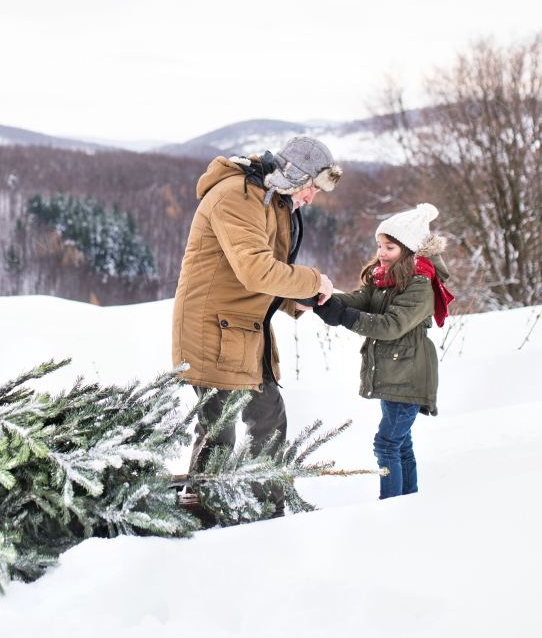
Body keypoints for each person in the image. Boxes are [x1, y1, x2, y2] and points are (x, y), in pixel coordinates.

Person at [171, 137, 342, 512]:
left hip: (241, 332)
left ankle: (263, 506)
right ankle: (201, 513)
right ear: (295, 176)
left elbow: (257, 277)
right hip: (212, 333)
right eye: (312, 188)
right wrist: (313, 281)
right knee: (219, 431)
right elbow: (254, 270)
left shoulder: (270, 200)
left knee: (267, 419)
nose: (311, 199)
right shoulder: (237, 195)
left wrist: (297, 301)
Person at [300, 203, 454, 500]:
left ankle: (391, 505)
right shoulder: (386, 279)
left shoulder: (420, 284)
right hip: (393, 373)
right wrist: (324, 300)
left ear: (409, 249)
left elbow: (392, 325)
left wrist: (345, 318)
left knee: (386, 445)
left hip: (409, 375)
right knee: (400, 444)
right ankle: (408, 501)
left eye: (390, 247)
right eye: (379, 245)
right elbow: (359, 300)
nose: (381, 253)